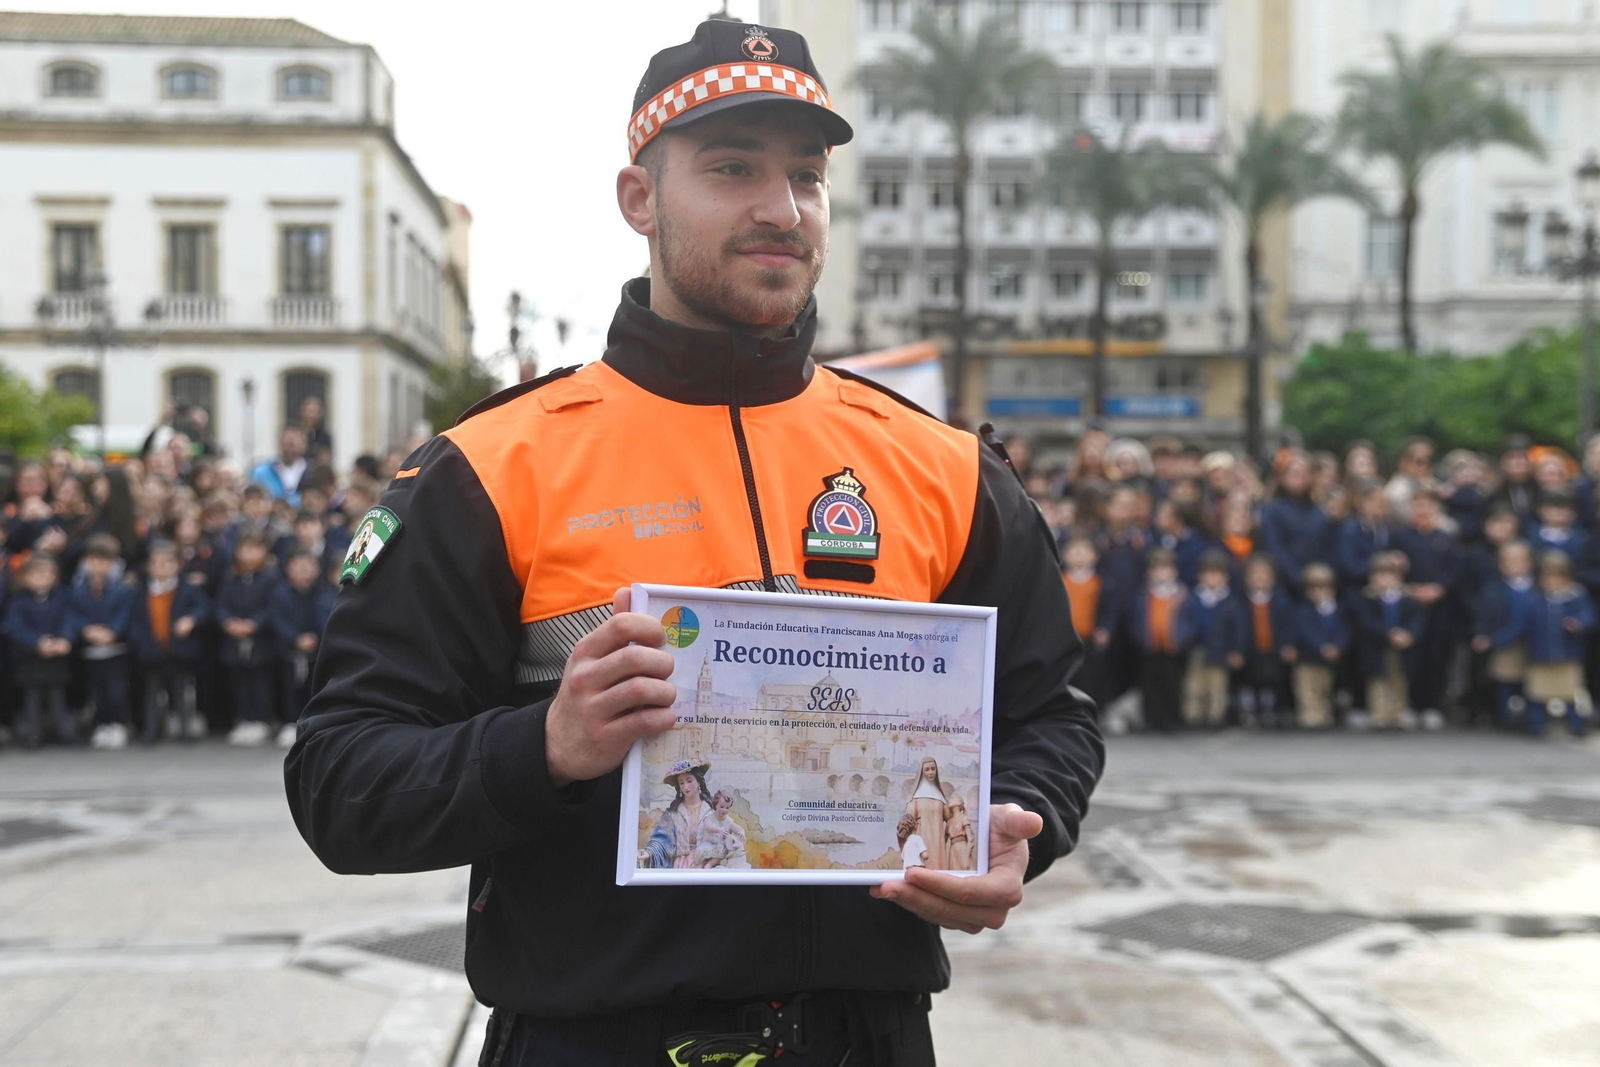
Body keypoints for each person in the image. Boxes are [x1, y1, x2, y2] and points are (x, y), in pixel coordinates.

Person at [285, 20, 1102, 1066]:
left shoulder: (943, 466)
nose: (781, 209)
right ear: (640, 198)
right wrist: (545, 746)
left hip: (869, 1039)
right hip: (591, 1042)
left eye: (806, 176)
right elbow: (340, 779)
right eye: (731, 168)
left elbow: (1050, 713)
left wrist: (1017, 819)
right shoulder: (490, 466)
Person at [130, 540, 209, 743]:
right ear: (149, 566)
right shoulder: (142, 592)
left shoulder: (186, 589)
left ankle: (185, 730)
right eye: (156, 563)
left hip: (179, 650)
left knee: (181, 691)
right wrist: (141, 643)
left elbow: (203, 608)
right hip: (152, 650)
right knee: (152, 692)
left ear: (177, 565)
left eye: (167, 562)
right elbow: (136, 621)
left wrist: (191, 620)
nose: (162, 567)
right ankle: (151, 730)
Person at [67, 534, 138, 750]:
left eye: (106, 561)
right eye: (95, 560)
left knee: (116, 691)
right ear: (87, 561)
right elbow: (74, 615)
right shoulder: (78, 589)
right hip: (91, 651)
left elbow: (126, 614)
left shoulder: (123, 589)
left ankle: (119, 724)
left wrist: (112, 632)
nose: (100, 565)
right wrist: (87, 630)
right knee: (96, 691)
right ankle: (102, 724)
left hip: (116, 649)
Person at [1519, 550, 1595, 737]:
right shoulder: (1535, 600)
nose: (1553, 581)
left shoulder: (1576, 597)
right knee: (1537, 693)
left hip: (1567, 655)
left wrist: (1578, 624)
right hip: (1541, 655)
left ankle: (1576, 726)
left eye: (1558, 576)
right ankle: (1536, 726)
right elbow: (1522, 626)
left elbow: (1589, 617)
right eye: (1549, 576)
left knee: (1570, 693)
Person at [270, 549, 336, 748]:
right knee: (290, 689)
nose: (304, 570)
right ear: (288, 568)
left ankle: (314, 723)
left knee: (315, 688)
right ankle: (290, 723)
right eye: (298, 565)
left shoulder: (324, 593)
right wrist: (295, 638)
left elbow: (328, 618)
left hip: (316, 652)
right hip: (289, 652)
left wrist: (316, 637)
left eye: (309, 565)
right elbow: (278, 620)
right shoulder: (280, 592)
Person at [6, 554, 74, 747]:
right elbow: (16, 628)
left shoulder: (61, 598)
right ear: (25, 577)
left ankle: (64, 733)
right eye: (38, 574)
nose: (44, 578)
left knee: (57, 697)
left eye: (48, 574)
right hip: (30, 660)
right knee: (32, 699)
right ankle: (33, 735)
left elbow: (69, 620)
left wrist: (65, 640)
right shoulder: (18, 601)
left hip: (56, 659)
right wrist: (37, 642)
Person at [219, 530, 277, 745]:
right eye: (245, 549)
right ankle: (244, 718)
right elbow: (221, 604)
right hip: (234, 639)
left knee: (260, 681)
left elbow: (272, 606)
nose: (250, 554)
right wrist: (228, 621)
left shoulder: (271, 578)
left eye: (255, 549)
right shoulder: (230, 577)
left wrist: (255, 623)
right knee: (239, 681)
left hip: (261, 640)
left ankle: (261, 720)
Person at [1179, 550, 1245, 729]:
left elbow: (1238, 629)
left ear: (1225, 577)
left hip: (1220, 651)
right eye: (1208, 573)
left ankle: (1215, 717)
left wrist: (1237, 650)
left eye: (1217, 573)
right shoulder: (1193, 598)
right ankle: (1193, 716)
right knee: (1194, 686)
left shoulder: (1231, 601)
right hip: (1197, 649)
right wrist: (1186, 641)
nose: (1212, 578)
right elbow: (1185, 622)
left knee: (1217, 686)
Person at [1472, 540, 1534, 729]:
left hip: (1534, 645)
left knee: (1532, 683)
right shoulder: (1493, 589)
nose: (1513, 564)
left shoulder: (1540, 588)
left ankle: (1533, 720)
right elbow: (1483, 615)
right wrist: (1482, 634)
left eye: (1519, 559)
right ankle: (1504, 719)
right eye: (1507, 560)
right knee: (1504, 681)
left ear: (1530, 562)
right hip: (1504, 644)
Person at [1356, 551, 1422, 731]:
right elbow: (1366, 622)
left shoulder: (1408, 599)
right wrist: (1388, 634)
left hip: (1402, 648)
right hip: (1377, 647)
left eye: (1390, 575)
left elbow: (1417, 620)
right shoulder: (1368, 598)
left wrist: (1408, 635)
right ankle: (1380, 715)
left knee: (1399, 680)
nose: (1385, 579)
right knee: (1378, 682)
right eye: (1381, 575)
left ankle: (1397, 714)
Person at [1129, 547, 1189, 733]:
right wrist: (1140, 639)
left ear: (1175, 571)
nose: (1161, 573)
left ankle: (1172, 719)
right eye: (1157, 569)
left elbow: (1190, 621)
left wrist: (1183, 639)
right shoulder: (1142, 595)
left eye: (1166, 568)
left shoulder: (1182, 595)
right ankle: (1151, 720)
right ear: (1149, 572)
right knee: (1150, 685)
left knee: (1173, 685)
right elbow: (1135, 620)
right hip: (1150, 648)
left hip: (1173, 649)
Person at [1285, 563, 1348, 729]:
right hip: (1306, 657)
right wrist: (1321, 646)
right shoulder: (1302, 610)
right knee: (1306, 689)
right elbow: (1304, 632)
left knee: (1324, 689)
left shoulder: (1338, 610)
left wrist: (1338, 647)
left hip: (1328, 660)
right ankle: (1310, 717)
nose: (1321, 592)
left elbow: (1343, 632)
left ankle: (1324, 716)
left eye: (1325, 587)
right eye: (1315, 588)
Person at [1240, 555, 1291, 729]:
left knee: (1274, 679)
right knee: (1251, 679)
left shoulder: (1281, 600)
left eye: (1264, 574)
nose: (1260, 578)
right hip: (1251, 649)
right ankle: (1251, 710)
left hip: (1273, 648)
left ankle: (1272, 711)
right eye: (1255, 574)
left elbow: (1287, 625)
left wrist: (1287, 645)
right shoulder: (1241, 601)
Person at [639, 761, 713, 869]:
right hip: (681, 866)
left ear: (699, 782)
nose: (686, 786)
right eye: (681, 783)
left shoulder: (711, 811)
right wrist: (649, 852)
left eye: (689, 781)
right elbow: (661, 839)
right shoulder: (673, 814)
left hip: (707, 865)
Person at [905, 757, 953, 870]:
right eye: (927, 770)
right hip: (921, 837)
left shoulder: (939, 796)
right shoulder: (916, 798)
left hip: (937, 840)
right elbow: (909, 819)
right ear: (922, 772)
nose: (930, 772)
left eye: (933, 769)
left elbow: (950, 818)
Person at [250, 425, 309, 505]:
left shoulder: (311, 472)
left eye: (293, 445)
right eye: (287, 444)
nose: (289, 449)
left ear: (304, 445)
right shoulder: (262, 472)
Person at [693, 790, 750, 869]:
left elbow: (738, 828)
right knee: (701, 858)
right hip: (708, 845)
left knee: (721, 850)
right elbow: (708, 826)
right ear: (716, 805)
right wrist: (718, 830)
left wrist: (741, 832)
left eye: (727, 807)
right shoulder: (709, 817)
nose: (724, 810)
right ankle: (702, 866)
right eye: (722, 807)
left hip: (719, 850)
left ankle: (710, 864)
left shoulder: (728, 821)